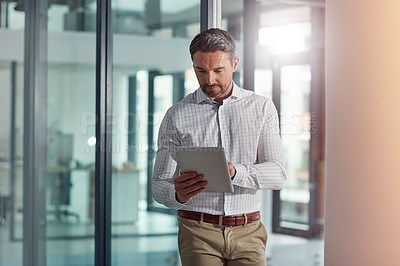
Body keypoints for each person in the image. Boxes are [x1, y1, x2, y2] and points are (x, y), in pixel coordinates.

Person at [152, 28, 286, 266]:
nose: (209, 80)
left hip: (249, 232)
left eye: (218, 70)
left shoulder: (262, 108)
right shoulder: (176, 115)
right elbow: (159, 184)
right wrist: (176, 194)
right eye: (200, 71)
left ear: (234, 64)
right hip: (197, 232)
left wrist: (235, 172)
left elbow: (277, 174)